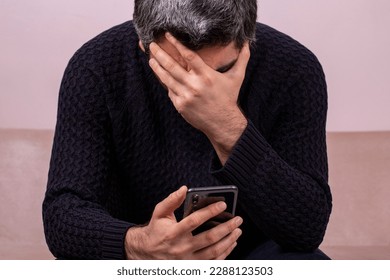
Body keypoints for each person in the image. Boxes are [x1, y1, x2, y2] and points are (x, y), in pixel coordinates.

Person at [43, 0, 332, 260]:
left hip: (253, 259)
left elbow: (307, 228)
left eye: (220, 71)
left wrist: (226, 125)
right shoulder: (97, 66)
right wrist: (137, 244)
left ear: (247, 39)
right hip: (141, 264)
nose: (198, 89)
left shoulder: (294, 68)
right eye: (175, 72)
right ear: (144, 44)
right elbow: (62, 214)